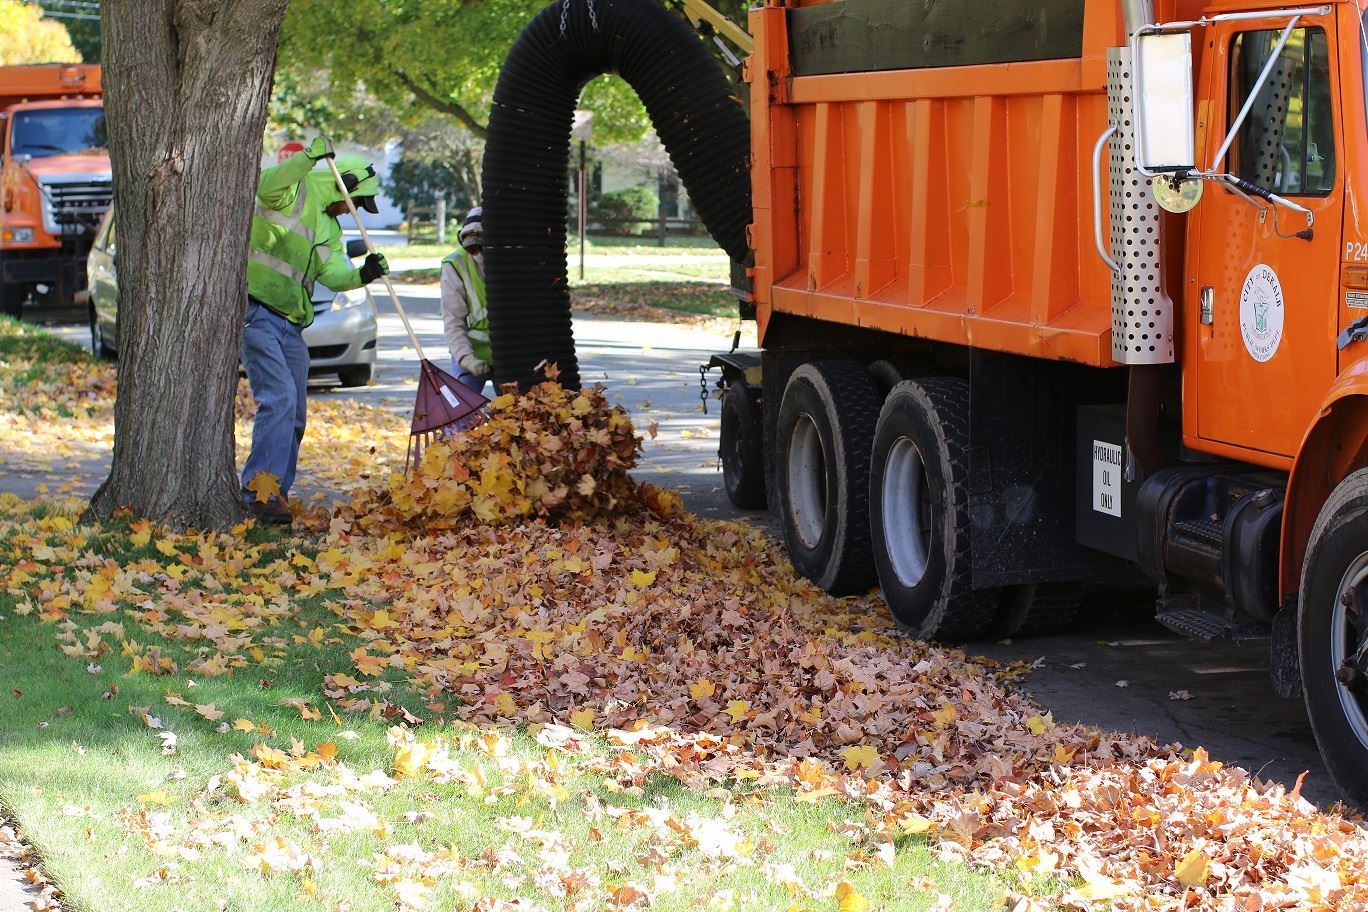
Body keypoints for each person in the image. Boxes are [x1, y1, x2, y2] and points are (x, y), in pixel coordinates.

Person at [240, 136, 388, 524]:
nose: (353, 210)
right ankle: (260, 490)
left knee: (297, 412)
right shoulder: (294, 190)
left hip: (291, 325)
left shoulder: (330, 229)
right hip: (257, 313)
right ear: (345, 186)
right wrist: (307, 158)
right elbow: (264, 185)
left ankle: (276, 494)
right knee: (280, 398)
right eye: (356, 202)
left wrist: (362, 275)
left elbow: (332, 272)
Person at [440, 206, 491, 392]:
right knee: (463, 409)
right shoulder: (455, 264)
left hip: (509, 354)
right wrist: (465, 358)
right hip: (471, 353)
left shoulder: (512, 258)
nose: (477, 253)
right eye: (472, 248)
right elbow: (453, 320)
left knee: (517, 412)